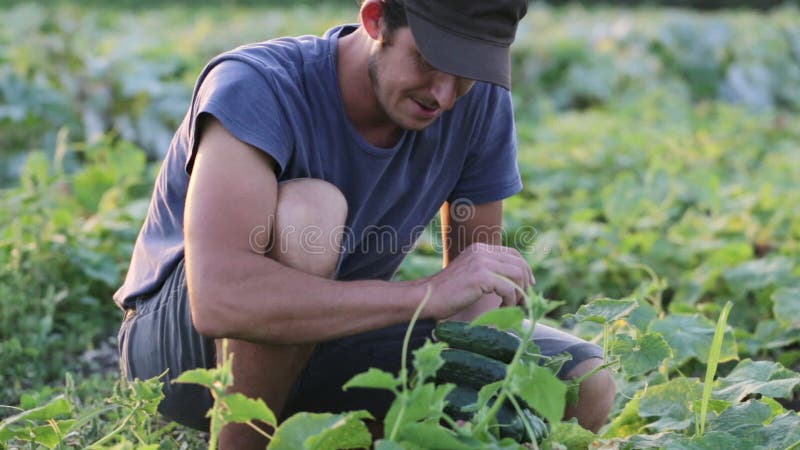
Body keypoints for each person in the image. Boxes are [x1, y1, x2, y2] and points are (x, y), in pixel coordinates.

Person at [115, 0, 616, 447]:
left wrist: (475, 410)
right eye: (430, 60)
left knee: (584, 382)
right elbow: (222, 300)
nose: (444, 93)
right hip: (182, 356)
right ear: (375, 18)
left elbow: (473, 303)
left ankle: (327, 439)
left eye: (466, 70)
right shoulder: (257, 85)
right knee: (311, 211)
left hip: (332, 338)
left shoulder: (476, 101)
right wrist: (422, 295)